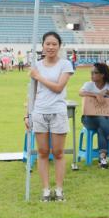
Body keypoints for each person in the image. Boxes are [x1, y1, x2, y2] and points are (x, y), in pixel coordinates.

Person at [26, 31, 75, 202]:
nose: (51, 47)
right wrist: (27, 115)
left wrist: (39, 77)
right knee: (43, 152)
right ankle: (46, 190)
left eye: (54, 44)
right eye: (48, 44)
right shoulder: (36, 66)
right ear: (43, 46)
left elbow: (58, 88)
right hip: (39, 112)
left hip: (57, 112)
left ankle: (59, 190)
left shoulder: (65, 65)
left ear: (59, 46)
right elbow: (31, 93)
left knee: (58, 153)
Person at [78, 62, 109, 168]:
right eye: (91, 72)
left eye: (95, 72)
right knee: (101, 117)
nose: (92, 75)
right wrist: (96, 95)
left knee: (102, 127)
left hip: (105, 121)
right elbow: (81, 93)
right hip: (88, 120)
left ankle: (102, 159)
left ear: (102, 75)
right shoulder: (89, 85)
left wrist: (108, 92)